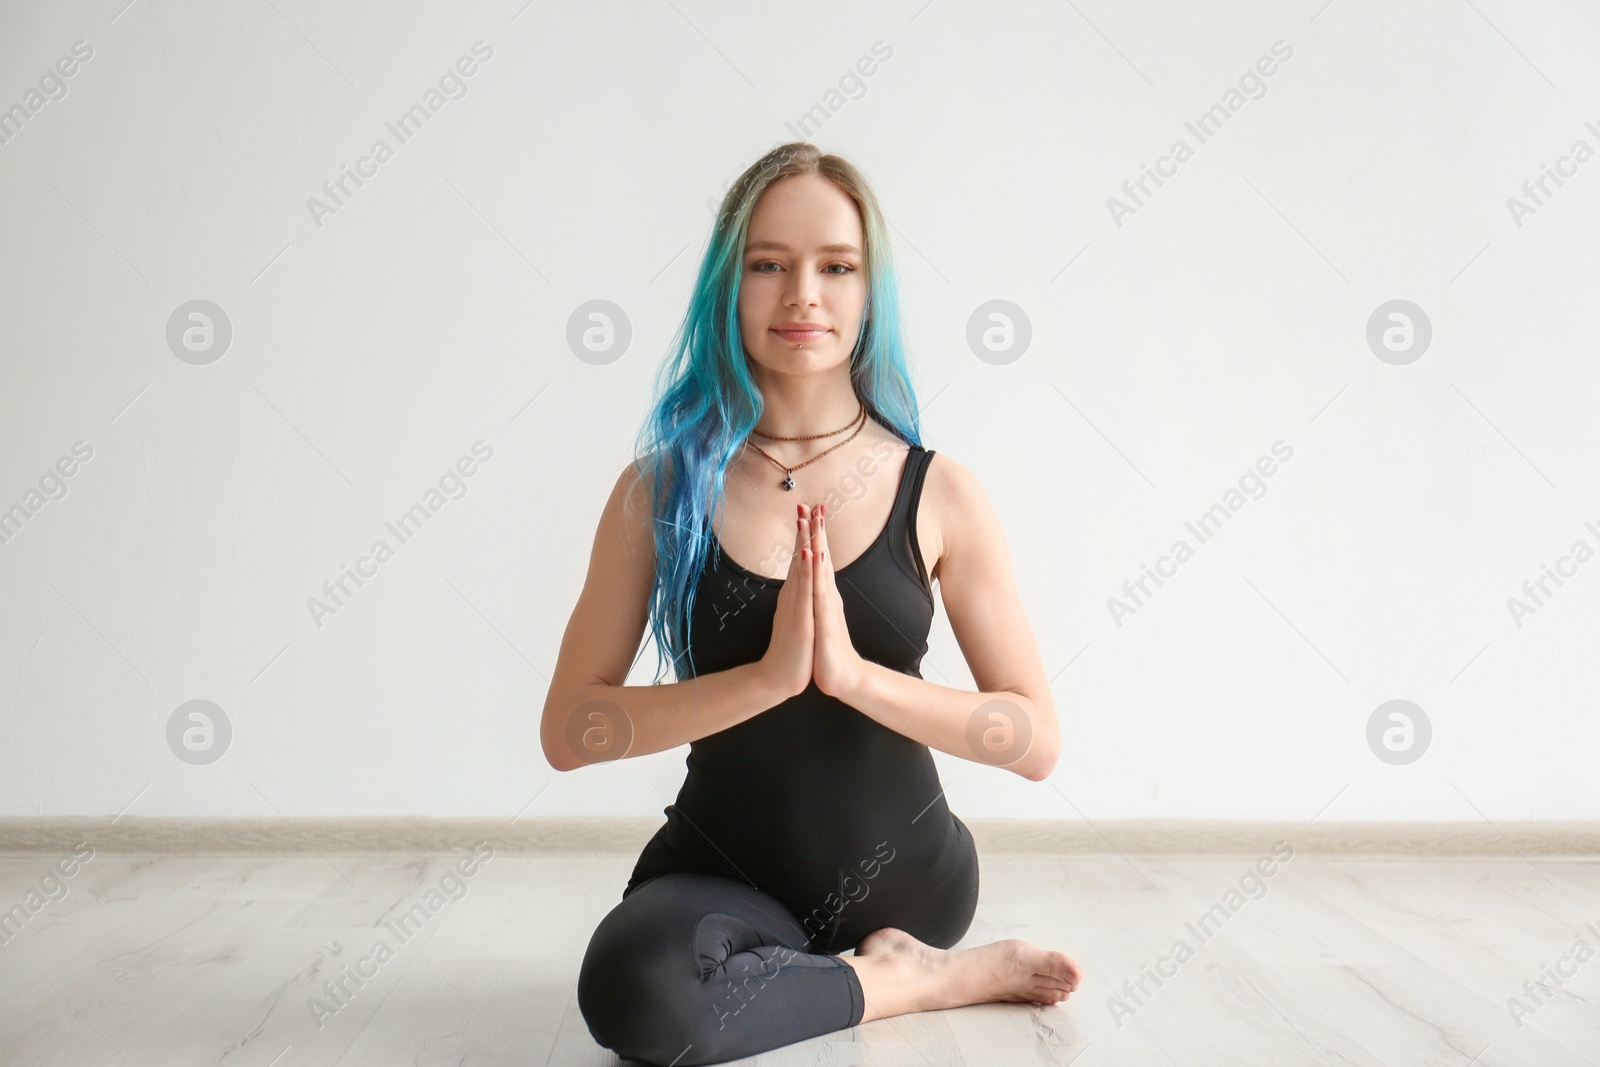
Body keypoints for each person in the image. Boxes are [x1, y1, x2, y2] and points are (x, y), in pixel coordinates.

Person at [541, 142, 1079, 1066]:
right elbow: (571, 730)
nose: (803, 294)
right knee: (631, 990)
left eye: (836, 266)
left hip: (911, 884)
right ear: (728, 284)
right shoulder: (657, 491)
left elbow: (1032, 739)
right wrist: (769, 678)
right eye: (768, 265)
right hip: (726, 879)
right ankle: (911, 980)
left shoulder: (939, 490)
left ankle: (878, 958)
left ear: (871, 292)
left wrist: (853, 677)